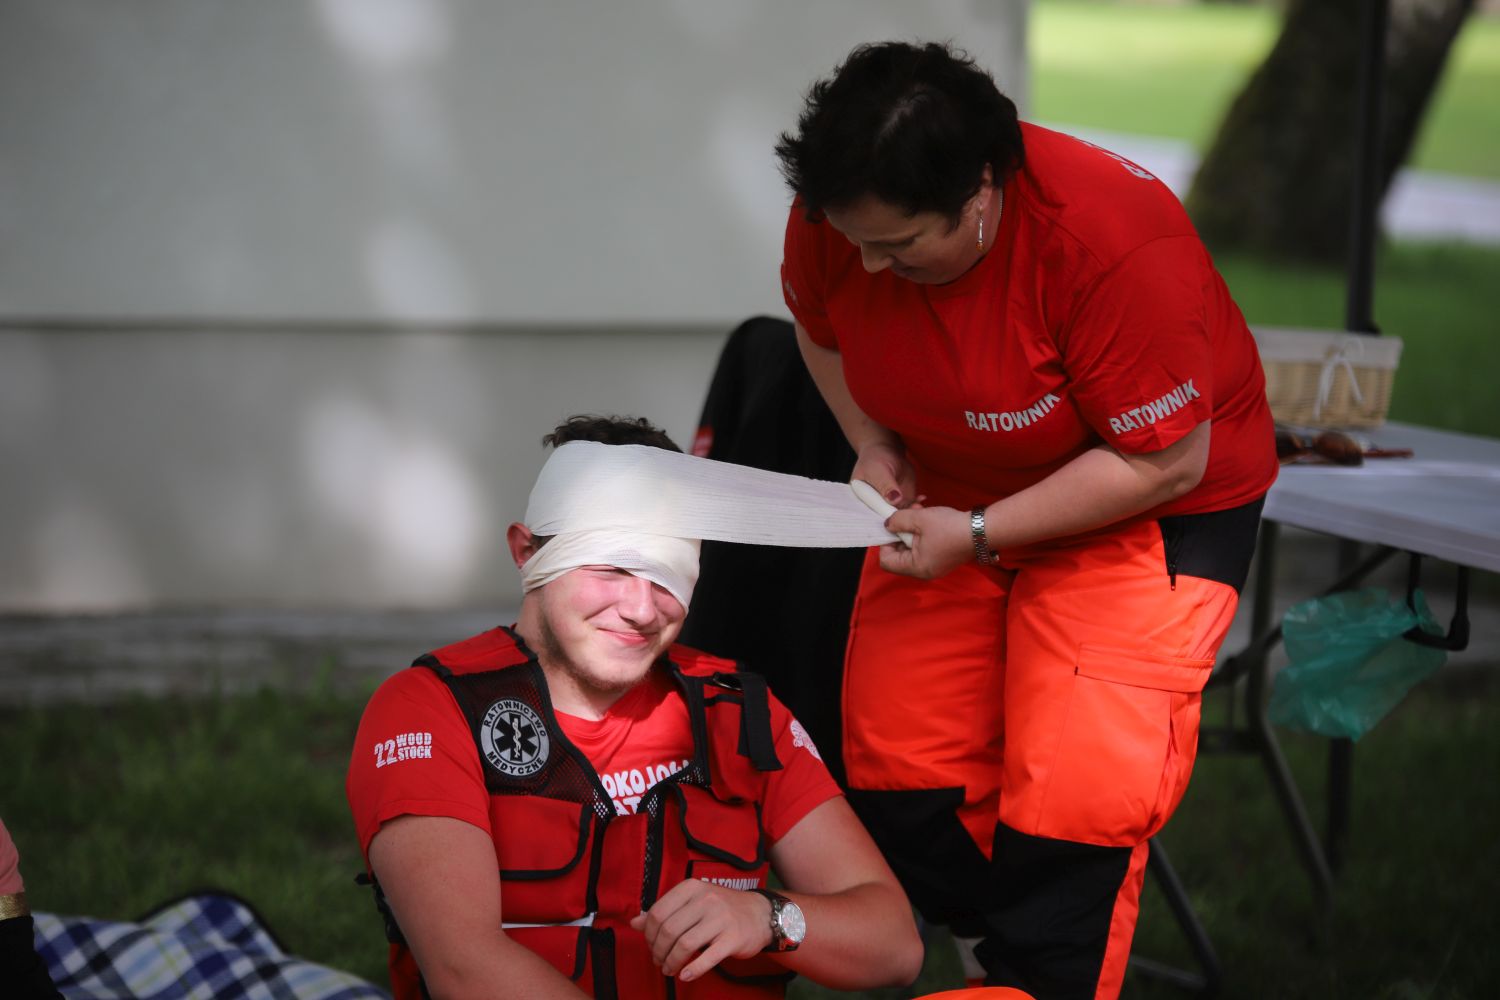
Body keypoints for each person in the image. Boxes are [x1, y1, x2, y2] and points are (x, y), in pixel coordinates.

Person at [775, 41, 1278, 999]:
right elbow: (820, 323)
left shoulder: (1112, 244)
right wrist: (872, 439)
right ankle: (990, 954)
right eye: (856, 243)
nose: (870, 267)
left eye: (900, 245)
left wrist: (981, 532)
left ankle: (1038, 973)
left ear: (980, 194)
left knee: (1074, 801)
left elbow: (1167, 456)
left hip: (1143, 506)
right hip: (950, 492)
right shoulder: (842, 216)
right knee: (903, 779)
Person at [345, 415, 923, 1000]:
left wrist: (767, 916)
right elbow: (464, 970)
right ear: (526, 552)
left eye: (669, 574)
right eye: (613, 568)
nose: (643, 609)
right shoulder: (432, 709)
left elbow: (896, 947)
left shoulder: (737, 713)